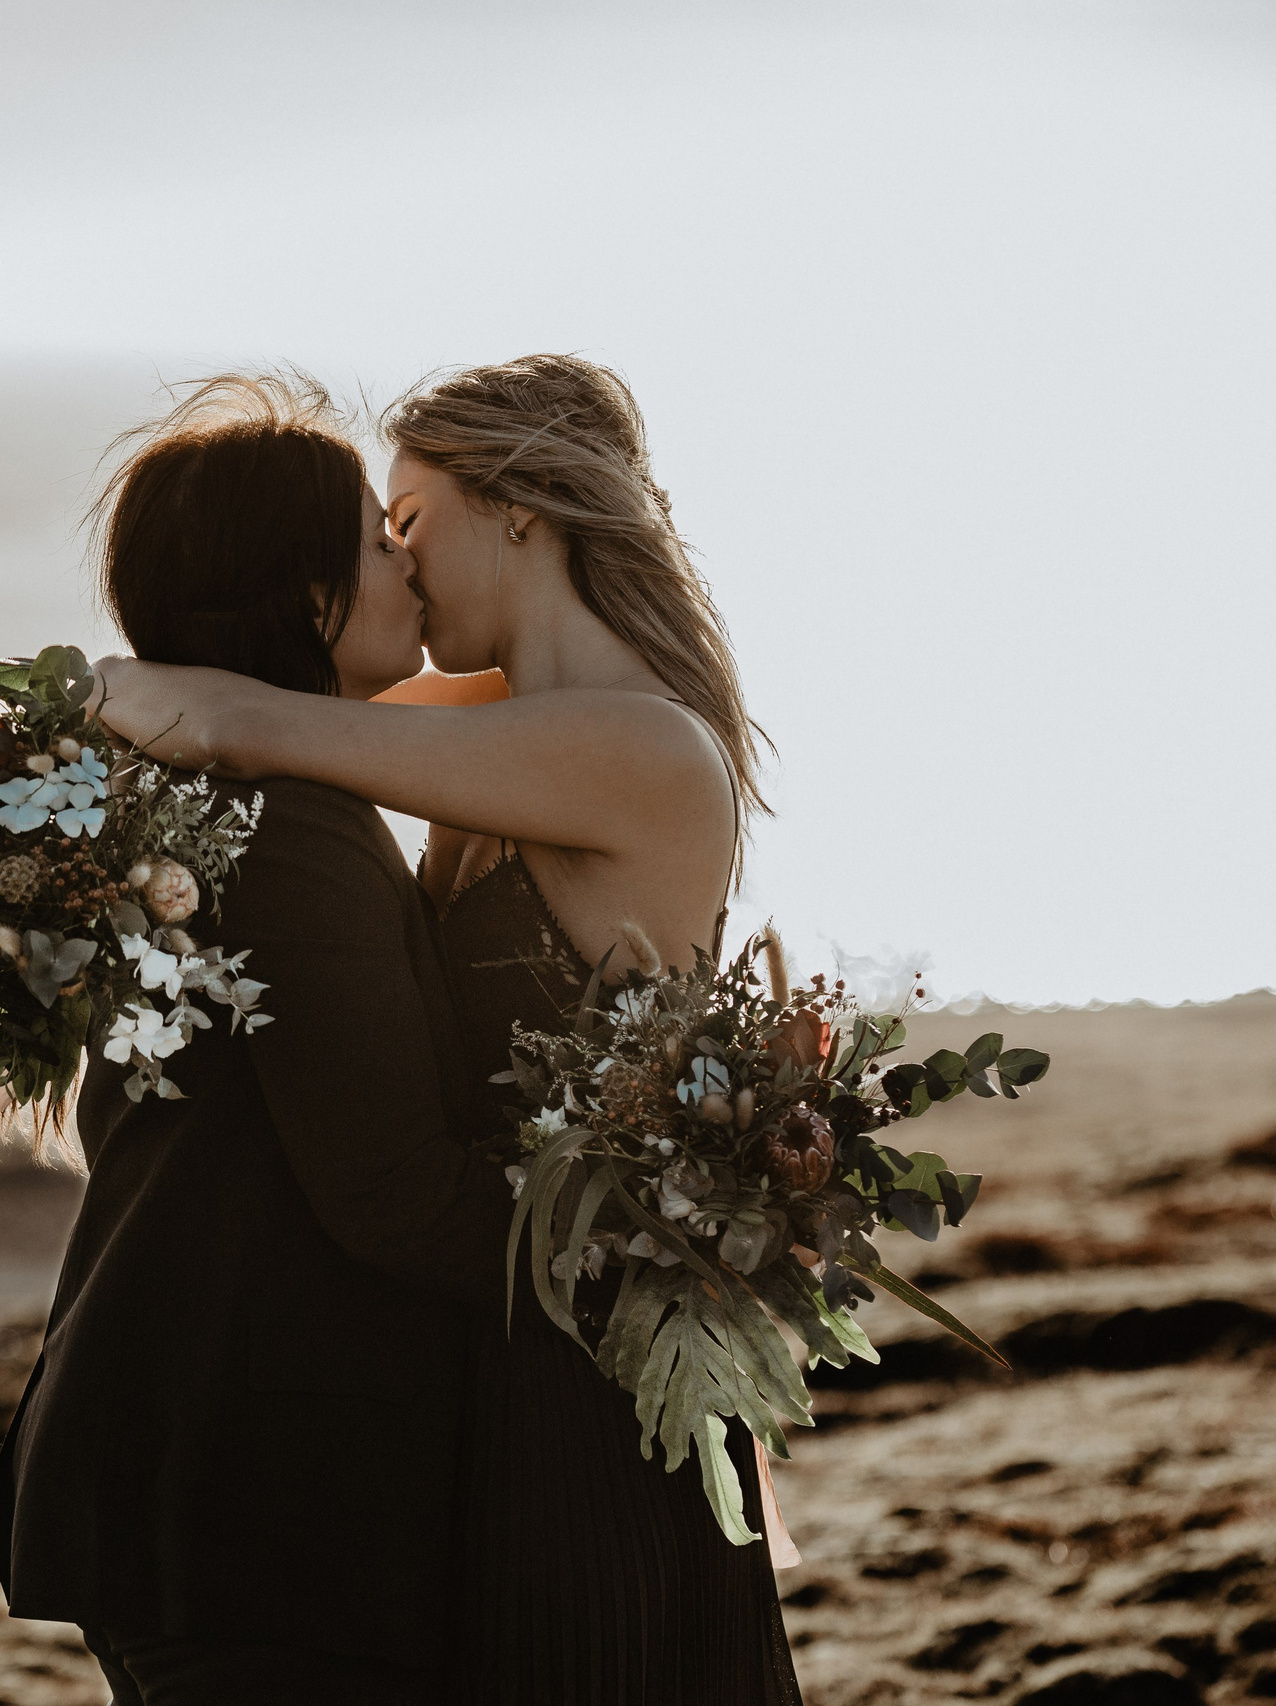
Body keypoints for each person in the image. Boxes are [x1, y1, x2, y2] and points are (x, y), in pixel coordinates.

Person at [91, 353, 804, 1703]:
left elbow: (252, 716)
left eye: (408, 522)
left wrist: (81, 701)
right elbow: (287, 686)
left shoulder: (639, 746)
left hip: (578, 1362)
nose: (401, 568)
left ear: (523, 509)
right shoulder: (502, 725)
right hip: (497, 1350)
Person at [0, 373, 517, 1706]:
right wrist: (627, 1268)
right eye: (371, 536)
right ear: (307, 598)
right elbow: (393, 1193)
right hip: (251, 1499)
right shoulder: (286, 837)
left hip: (203, 1481)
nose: (403, 557)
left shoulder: (220, 799)